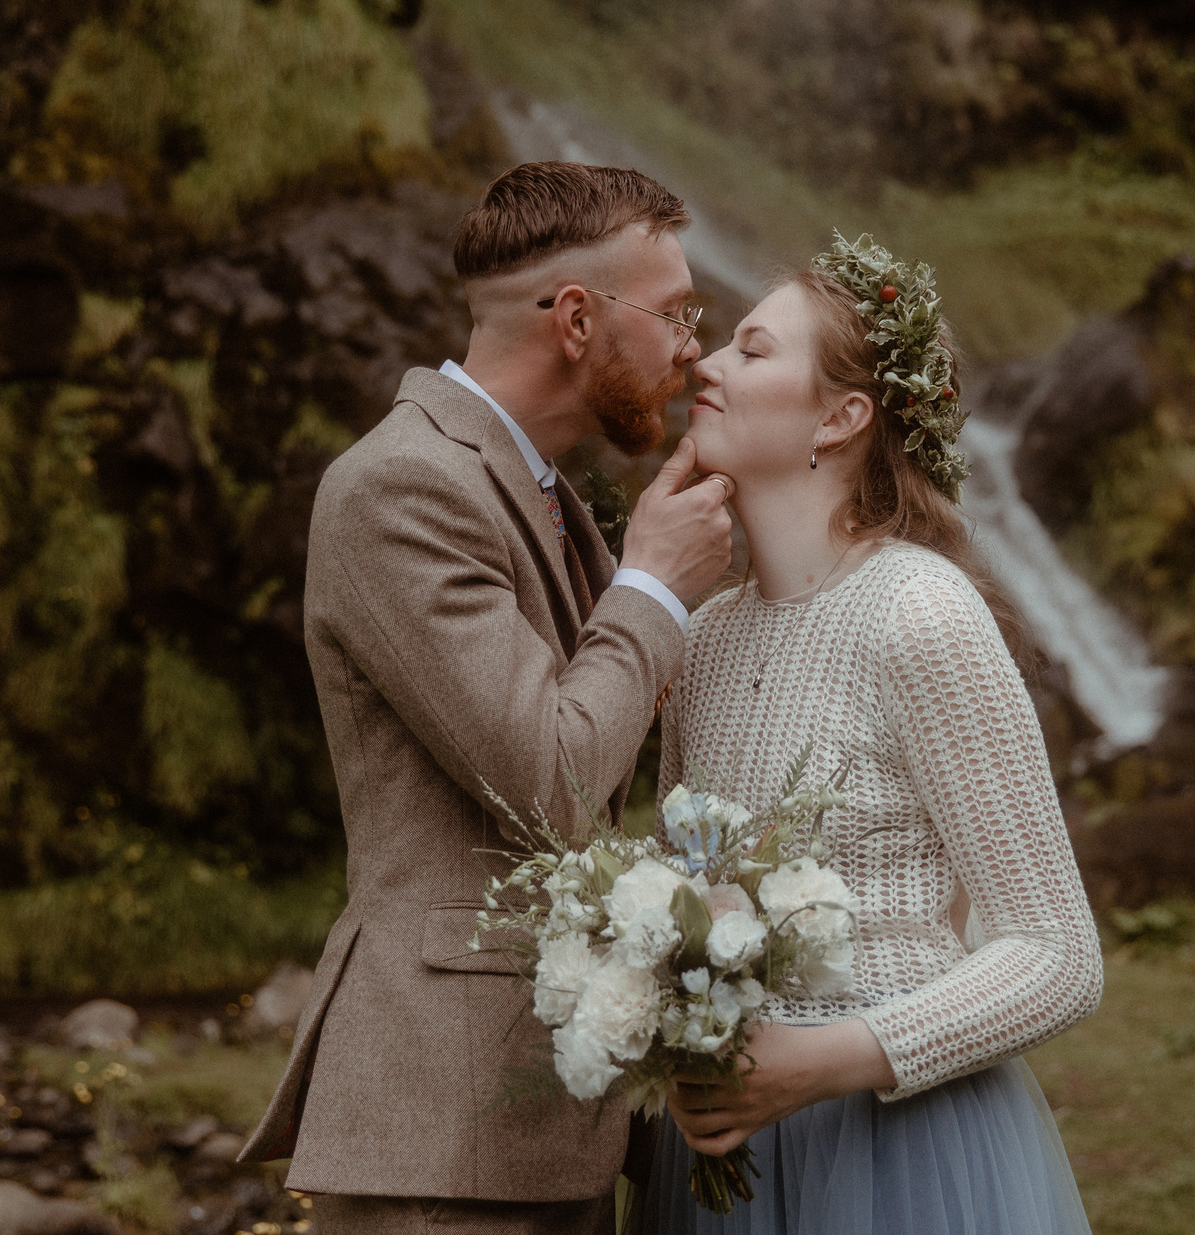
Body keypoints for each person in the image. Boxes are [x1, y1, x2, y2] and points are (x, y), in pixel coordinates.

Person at [240, 162, 738, 1235]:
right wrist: (652, 585)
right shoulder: (402, 486)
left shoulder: (542, 491)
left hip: (537, 1117)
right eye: (675, 313)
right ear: (574, 319)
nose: (692, 348)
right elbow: (553, 780)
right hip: (446, 1134)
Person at [636, 234, 1101, 1234]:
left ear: (842, 418)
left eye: (752, 351)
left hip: (903, 1156)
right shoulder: (703, 635)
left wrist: (821, 1062)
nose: (704, 365)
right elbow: (679, 890)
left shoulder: (917, 612)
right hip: (728, 1165)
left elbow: (1058, 955)